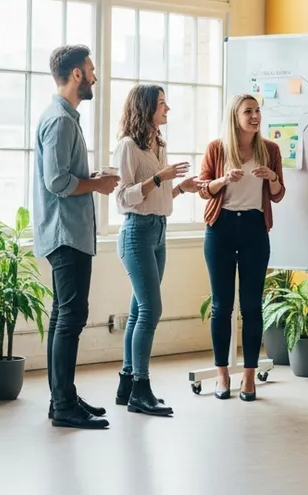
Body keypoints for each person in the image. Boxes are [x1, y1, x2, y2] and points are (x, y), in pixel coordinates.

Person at [33, 45, 119, 430]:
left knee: (63, 316)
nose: (95, 76)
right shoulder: (61, 120)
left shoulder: (65, 117)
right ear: (77, 75)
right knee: (71, 316)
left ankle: (62, 398)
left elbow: (64, 175)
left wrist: (92, 179)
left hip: (67, 231)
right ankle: (63, 404)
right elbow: (57, 181)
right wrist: (97, 184)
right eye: (91, 69)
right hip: (66, 232)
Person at [111, 85, 201, 417]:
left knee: (139, 312)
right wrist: (160, 179)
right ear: (146, 108)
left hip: (158, 231)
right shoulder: (127, 147)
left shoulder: (157, 144)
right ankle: (141, 389)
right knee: (151, 311)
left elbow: (156, 197)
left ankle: (126, 383)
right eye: (162, 104)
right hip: (135, 233)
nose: (168, 109)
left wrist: (179, 187)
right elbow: (122, 199)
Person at [197, 94, 285, 402]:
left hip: (254, 229)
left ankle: (249, 377)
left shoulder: (270, 150)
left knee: (251, 306)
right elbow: (203, 189)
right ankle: (222, 375)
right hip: (220, 228)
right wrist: (223, 180)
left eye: (258, 110)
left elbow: (277, 195)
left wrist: (272, 176)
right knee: (222, 306)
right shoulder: (217, 148)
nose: (255, 115)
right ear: (235, 116)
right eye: (248, 111)